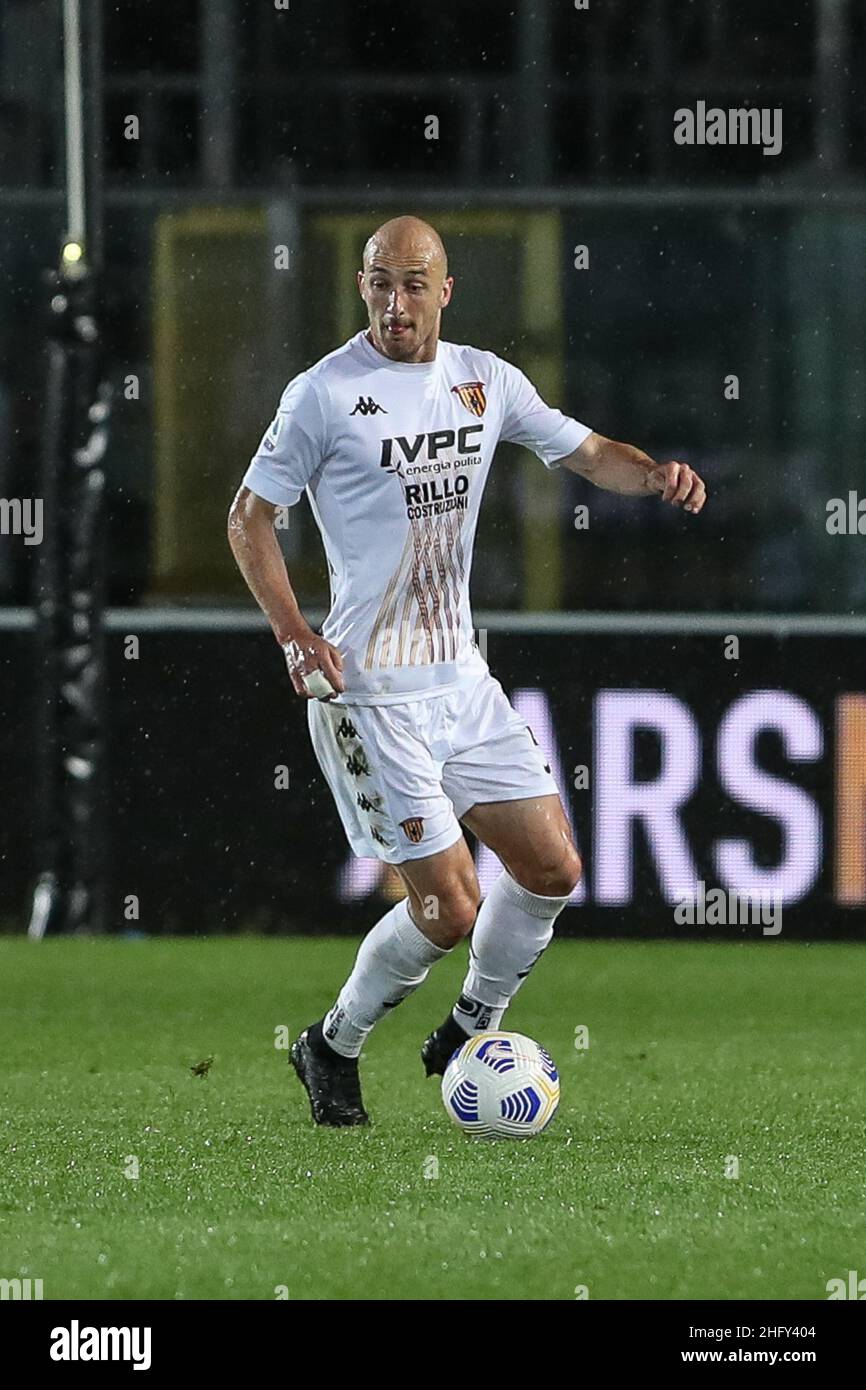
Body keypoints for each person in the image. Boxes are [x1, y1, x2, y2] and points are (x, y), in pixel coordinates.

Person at [228, 215, 707, 1125]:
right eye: (379, 282)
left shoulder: (486, 380)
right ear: (361, 285)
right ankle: (331, 1045)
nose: (395, 303)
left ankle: (469, 1025)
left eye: (414, 284)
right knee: (449, 906)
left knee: (555, 868)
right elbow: (249, 520)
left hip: (461, 679)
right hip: (368, 692)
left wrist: (653, 476)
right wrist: (296, 635)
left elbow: (587, 451)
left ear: (446, 290)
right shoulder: (323, 396)